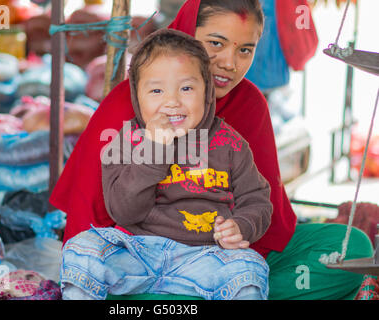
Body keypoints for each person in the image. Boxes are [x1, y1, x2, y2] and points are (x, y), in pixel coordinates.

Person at [50, 0, 373, 300]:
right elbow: (99, 221)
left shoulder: (248, 105)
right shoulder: (129, 107)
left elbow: (260, 203)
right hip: (138, 260)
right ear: (185, 39)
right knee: (89, 258)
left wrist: (238, 233)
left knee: (349, 249)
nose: (229, 63)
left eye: (245, 50)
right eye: (215, 44)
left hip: (216, 259)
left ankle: (208, 292)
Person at [60, 28, 272, 300]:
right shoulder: (125, 142)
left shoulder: (231, 144)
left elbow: (257, 200)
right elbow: (125, 211)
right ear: (137, 97)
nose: (172, 102)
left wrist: (242, 225)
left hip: (204, 257)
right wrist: (154, 149)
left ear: (207, 91)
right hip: (136, 252)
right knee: (81, 250)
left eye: (186, 88)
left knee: (249, 269)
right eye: (157, 90)